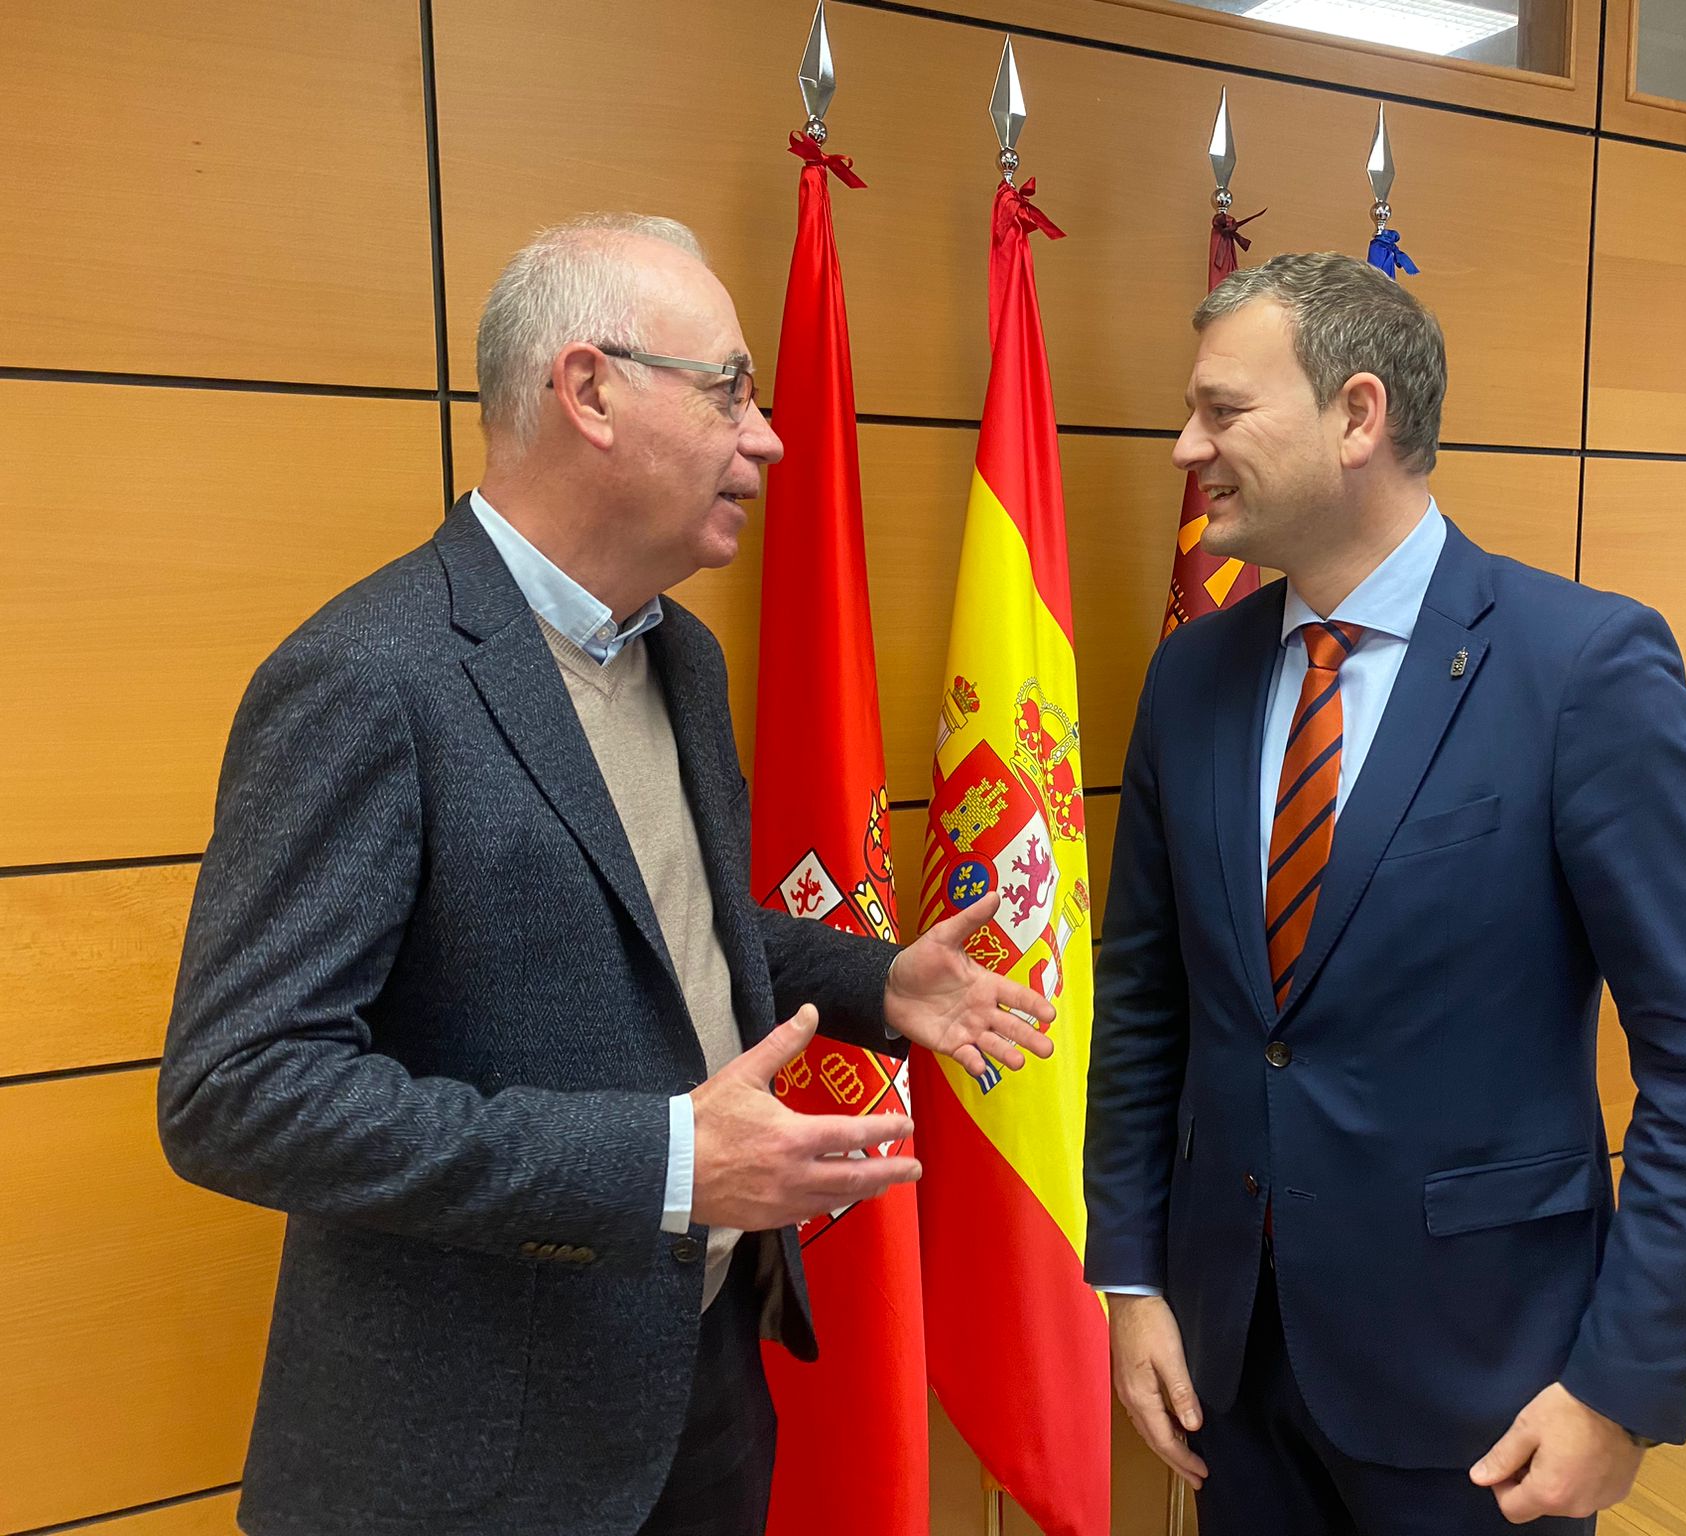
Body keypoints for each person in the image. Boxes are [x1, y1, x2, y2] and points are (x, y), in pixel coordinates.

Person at [158, 212, 1054, 1536]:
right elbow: (238, 1094)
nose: (770, 437)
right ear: (588, 390)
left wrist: (878, 982)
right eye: (732, 390)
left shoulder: (682, 657)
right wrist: (667, 1160)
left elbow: (649, 924)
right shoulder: (367, 678)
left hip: (703, 1388)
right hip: (478, 1458)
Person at [1083, 251, 1686, 1534]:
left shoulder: (1585, 669)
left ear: (1356, 416)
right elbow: (1143, 998)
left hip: (1486, 1384)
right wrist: (1132, 1279)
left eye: (1222, 412)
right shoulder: (1190, 681)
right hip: (1229, 1360)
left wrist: (1617, 1388)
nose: (1187, 447)